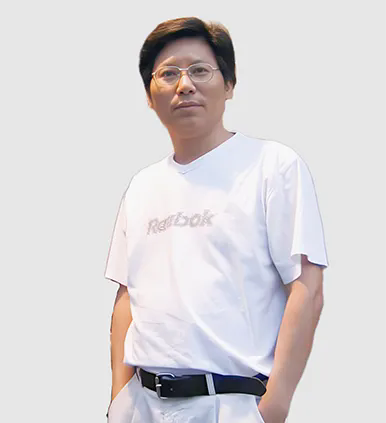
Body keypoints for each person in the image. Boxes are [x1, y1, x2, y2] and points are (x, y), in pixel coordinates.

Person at [104, 16, 329, 423]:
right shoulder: (141, 186)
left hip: (231, 403)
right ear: (149, 96)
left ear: (228, 85)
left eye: (200, 70)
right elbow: (126, 297)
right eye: (167, 74)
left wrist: (274, 404)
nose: (184, 85)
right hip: (142, 404)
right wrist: (119, 399)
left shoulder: (271, 166)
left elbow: (306, 286)